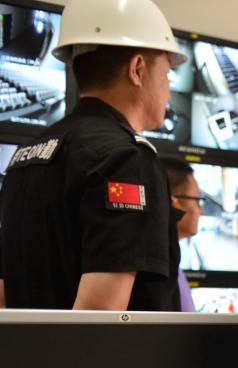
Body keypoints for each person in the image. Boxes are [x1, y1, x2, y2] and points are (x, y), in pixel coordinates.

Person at [0, 0, 188, 311]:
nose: (168, 90)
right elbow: (100, 318)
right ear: (138, 69)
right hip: (110, 361)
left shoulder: (25, 157)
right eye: (167, 74)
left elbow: (5, 296)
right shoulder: (127, 160)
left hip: (30, 359)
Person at [162, 158, 204, 311]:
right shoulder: (160, 273)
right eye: (198, 201)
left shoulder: (172, 264)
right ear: (174, 203)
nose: (201, 211)